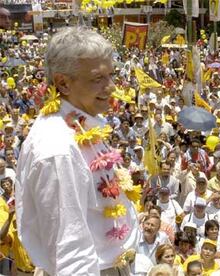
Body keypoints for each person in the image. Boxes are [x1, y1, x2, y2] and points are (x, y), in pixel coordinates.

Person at [15, 27, 138, 275]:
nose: (111, 87)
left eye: (110, 76)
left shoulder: (81, 125)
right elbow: (70, 253)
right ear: (63, 83)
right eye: (98, 79)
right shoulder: (58, 148)